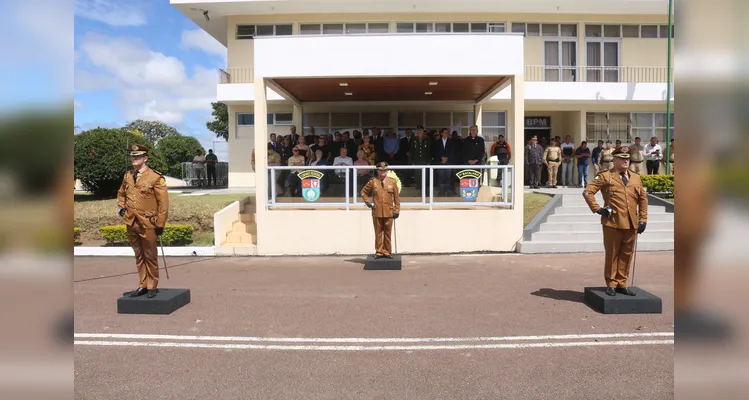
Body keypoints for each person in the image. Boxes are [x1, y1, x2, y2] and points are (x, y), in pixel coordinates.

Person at [582, 147, 648, 296]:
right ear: (615, 160)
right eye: (622, 158)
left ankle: (622, 283)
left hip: (631, 223)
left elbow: (643, 200)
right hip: (613, 222)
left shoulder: (636, 177)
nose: (626, 161)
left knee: (627, 253)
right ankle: (611, 283)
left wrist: (643, 219)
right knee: (612, 254)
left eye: (627, 159)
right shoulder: (606, 176)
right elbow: (588, 192)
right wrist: (598, 209)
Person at [117, 144, 169, 299]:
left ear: (145, 158)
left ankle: (152, 285)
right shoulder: (127, 176)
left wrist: (160, 224)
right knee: (139, 255)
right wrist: (121, 208)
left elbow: (163, 203)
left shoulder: (155, 177)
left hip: (148, 222)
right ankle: (143, 284)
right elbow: (121, 194)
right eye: (133, 156)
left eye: (138, 156)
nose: (134, 159)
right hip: (131, 222)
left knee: (150, 255)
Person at [360, 162, 401, 259]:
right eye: (381, 170)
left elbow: (397, 198)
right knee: (378, 233)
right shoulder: (373, 181)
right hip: (377, 211)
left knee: (387, 233)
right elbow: (363, 192)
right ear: (377, 171)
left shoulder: (392, 182)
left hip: (389, 211)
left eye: (384, 170)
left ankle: (387, 251)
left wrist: (397, 210)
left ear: (386, 171)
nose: (383, 172)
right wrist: (368, 202)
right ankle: (379, 251)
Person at [433, 128, 456, 196]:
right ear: (441, 133)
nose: (446, 134)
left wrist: (447, 158)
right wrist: (441, 158)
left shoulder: (451, 142)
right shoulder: (437, 142)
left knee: (448, 177)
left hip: (449, 162)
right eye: (445, 132)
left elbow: (453, 152)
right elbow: (435, 152)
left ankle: (448, 191)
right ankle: (441, 191)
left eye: (447, 132)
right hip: (440, 162)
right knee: (441, 177)